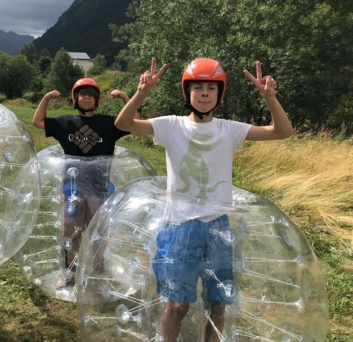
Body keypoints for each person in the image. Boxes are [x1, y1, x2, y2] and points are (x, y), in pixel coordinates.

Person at [114, 58, 294, 342]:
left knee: (219, 303)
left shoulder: (229, 129)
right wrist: (141, 93)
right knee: (177, 304)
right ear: (188, 94)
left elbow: (282, 131)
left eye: (212, 88)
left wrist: (270, 98)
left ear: (219, 95)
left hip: (218, 225)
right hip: (180, 224)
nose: (205, 93)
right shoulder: (171, 126)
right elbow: (123, 123)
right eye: (197, 88)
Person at [33, 78, 139, 289]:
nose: (87, 97)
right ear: (75, 98)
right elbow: (38, 122)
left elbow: (134, 123)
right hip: (72, 185)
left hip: (98, 185)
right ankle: (69, 271)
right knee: (71, 227)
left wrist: (126, 98)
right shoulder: (66, 122)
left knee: (97, 227)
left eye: (91, 94)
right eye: (82, 94)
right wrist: (46, 98)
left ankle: (97, 270)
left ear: (97, 99)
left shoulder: (109, 123)